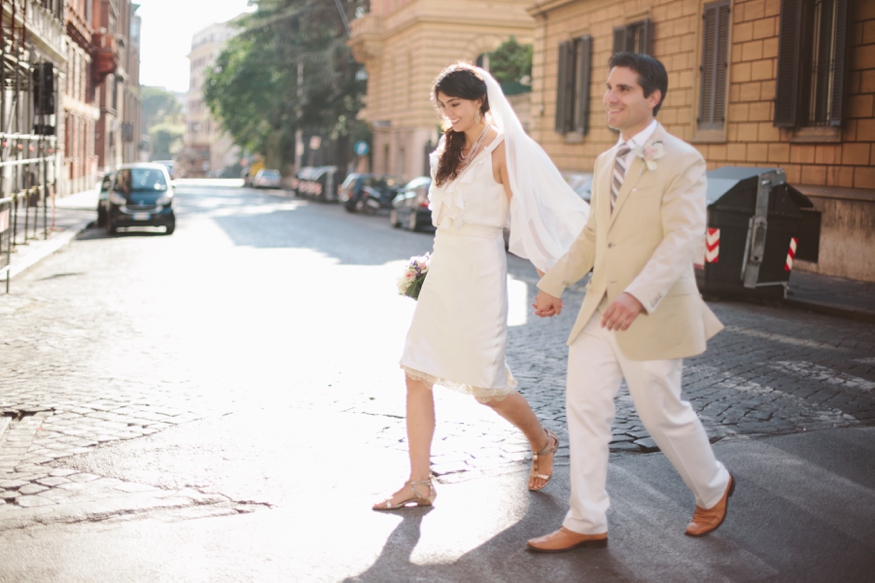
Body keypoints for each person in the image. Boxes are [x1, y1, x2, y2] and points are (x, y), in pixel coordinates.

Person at [527, 53, 733, 552]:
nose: (610, 97)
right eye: (608, 87)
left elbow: (683, 239)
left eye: (623, 89)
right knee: (586, 409)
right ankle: (586, 519)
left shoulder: (683, 158)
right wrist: (554, 282)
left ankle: (714, 485)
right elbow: (594, 235)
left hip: (651, 309)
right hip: (600, 310)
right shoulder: (605, 161)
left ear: (652, 97)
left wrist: (639, 296)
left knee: (662, 412)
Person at [373, 63, 589, 510]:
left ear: (480, 101)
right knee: (416, 374)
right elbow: (446, 217)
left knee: (487, 388)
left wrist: (552, 279)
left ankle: (542, 441)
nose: (449, 114)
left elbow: (531, 215)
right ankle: (419, 482)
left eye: (455, 105)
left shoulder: (505, 150)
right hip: (445, 269)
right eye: (443, 106)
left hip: (482, 273)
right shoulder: (444, 150)